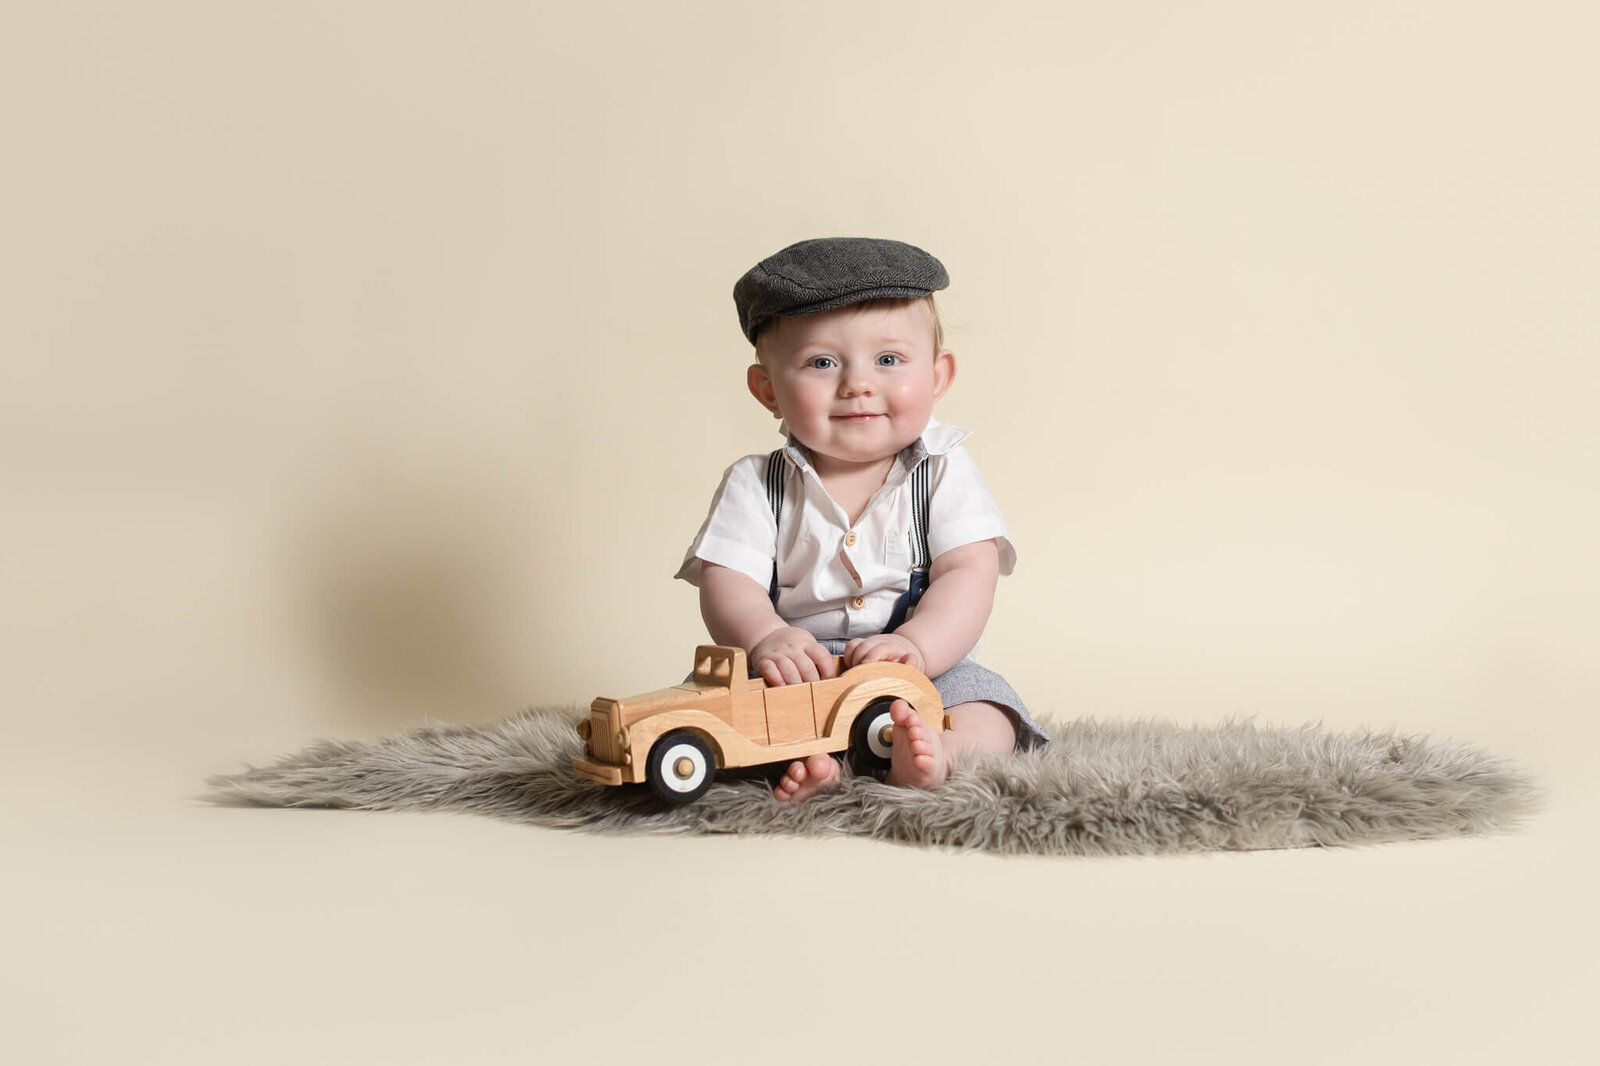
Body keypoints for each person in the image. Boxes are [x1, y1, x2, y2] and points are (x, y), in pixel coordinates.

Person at [675, 237, 1049, 803]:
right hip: (798, 670)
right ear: (767, 388)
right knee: (720, 718)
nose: (858, 384)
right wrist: (767, 637)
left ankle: (935, 754)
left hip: (919, 667)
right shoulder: (755, 484)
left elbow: (968, 574)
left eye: (889, 360)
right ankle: (809, 766)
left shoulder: (944, 471)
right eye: (822, 362)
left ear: (938, 377)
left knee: (986, 709)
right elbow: (728, 581)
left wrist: (918, 646)